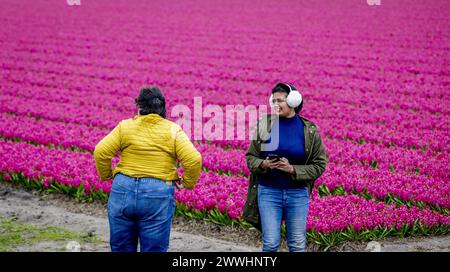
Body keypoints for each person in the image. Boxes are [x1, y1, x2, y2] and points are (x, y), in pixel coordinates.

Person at [94, 86, 202, 252]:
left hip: (123, 188)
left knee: (121, 247)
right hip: (157, 192)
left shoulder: (125, 127)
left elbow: (101, 151)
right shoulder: (172, 130)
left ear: (139, 107)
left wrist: (107, 175)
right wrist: (187, 183)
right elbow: (193, 159)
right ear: (163, 107)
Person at [244, 82, 328, 252]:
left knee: (297, 244)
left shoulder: (309, 130)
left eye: (280, 101)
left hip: (297, 193)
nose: (275, 104)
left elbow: (319, 165)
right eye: (273, 101)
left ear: (293, 102)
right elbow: (250, 157)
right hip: (268, 192)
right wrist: (264, 164)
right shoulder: (265, 125)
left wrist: (293, 170)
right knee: (270, 243)